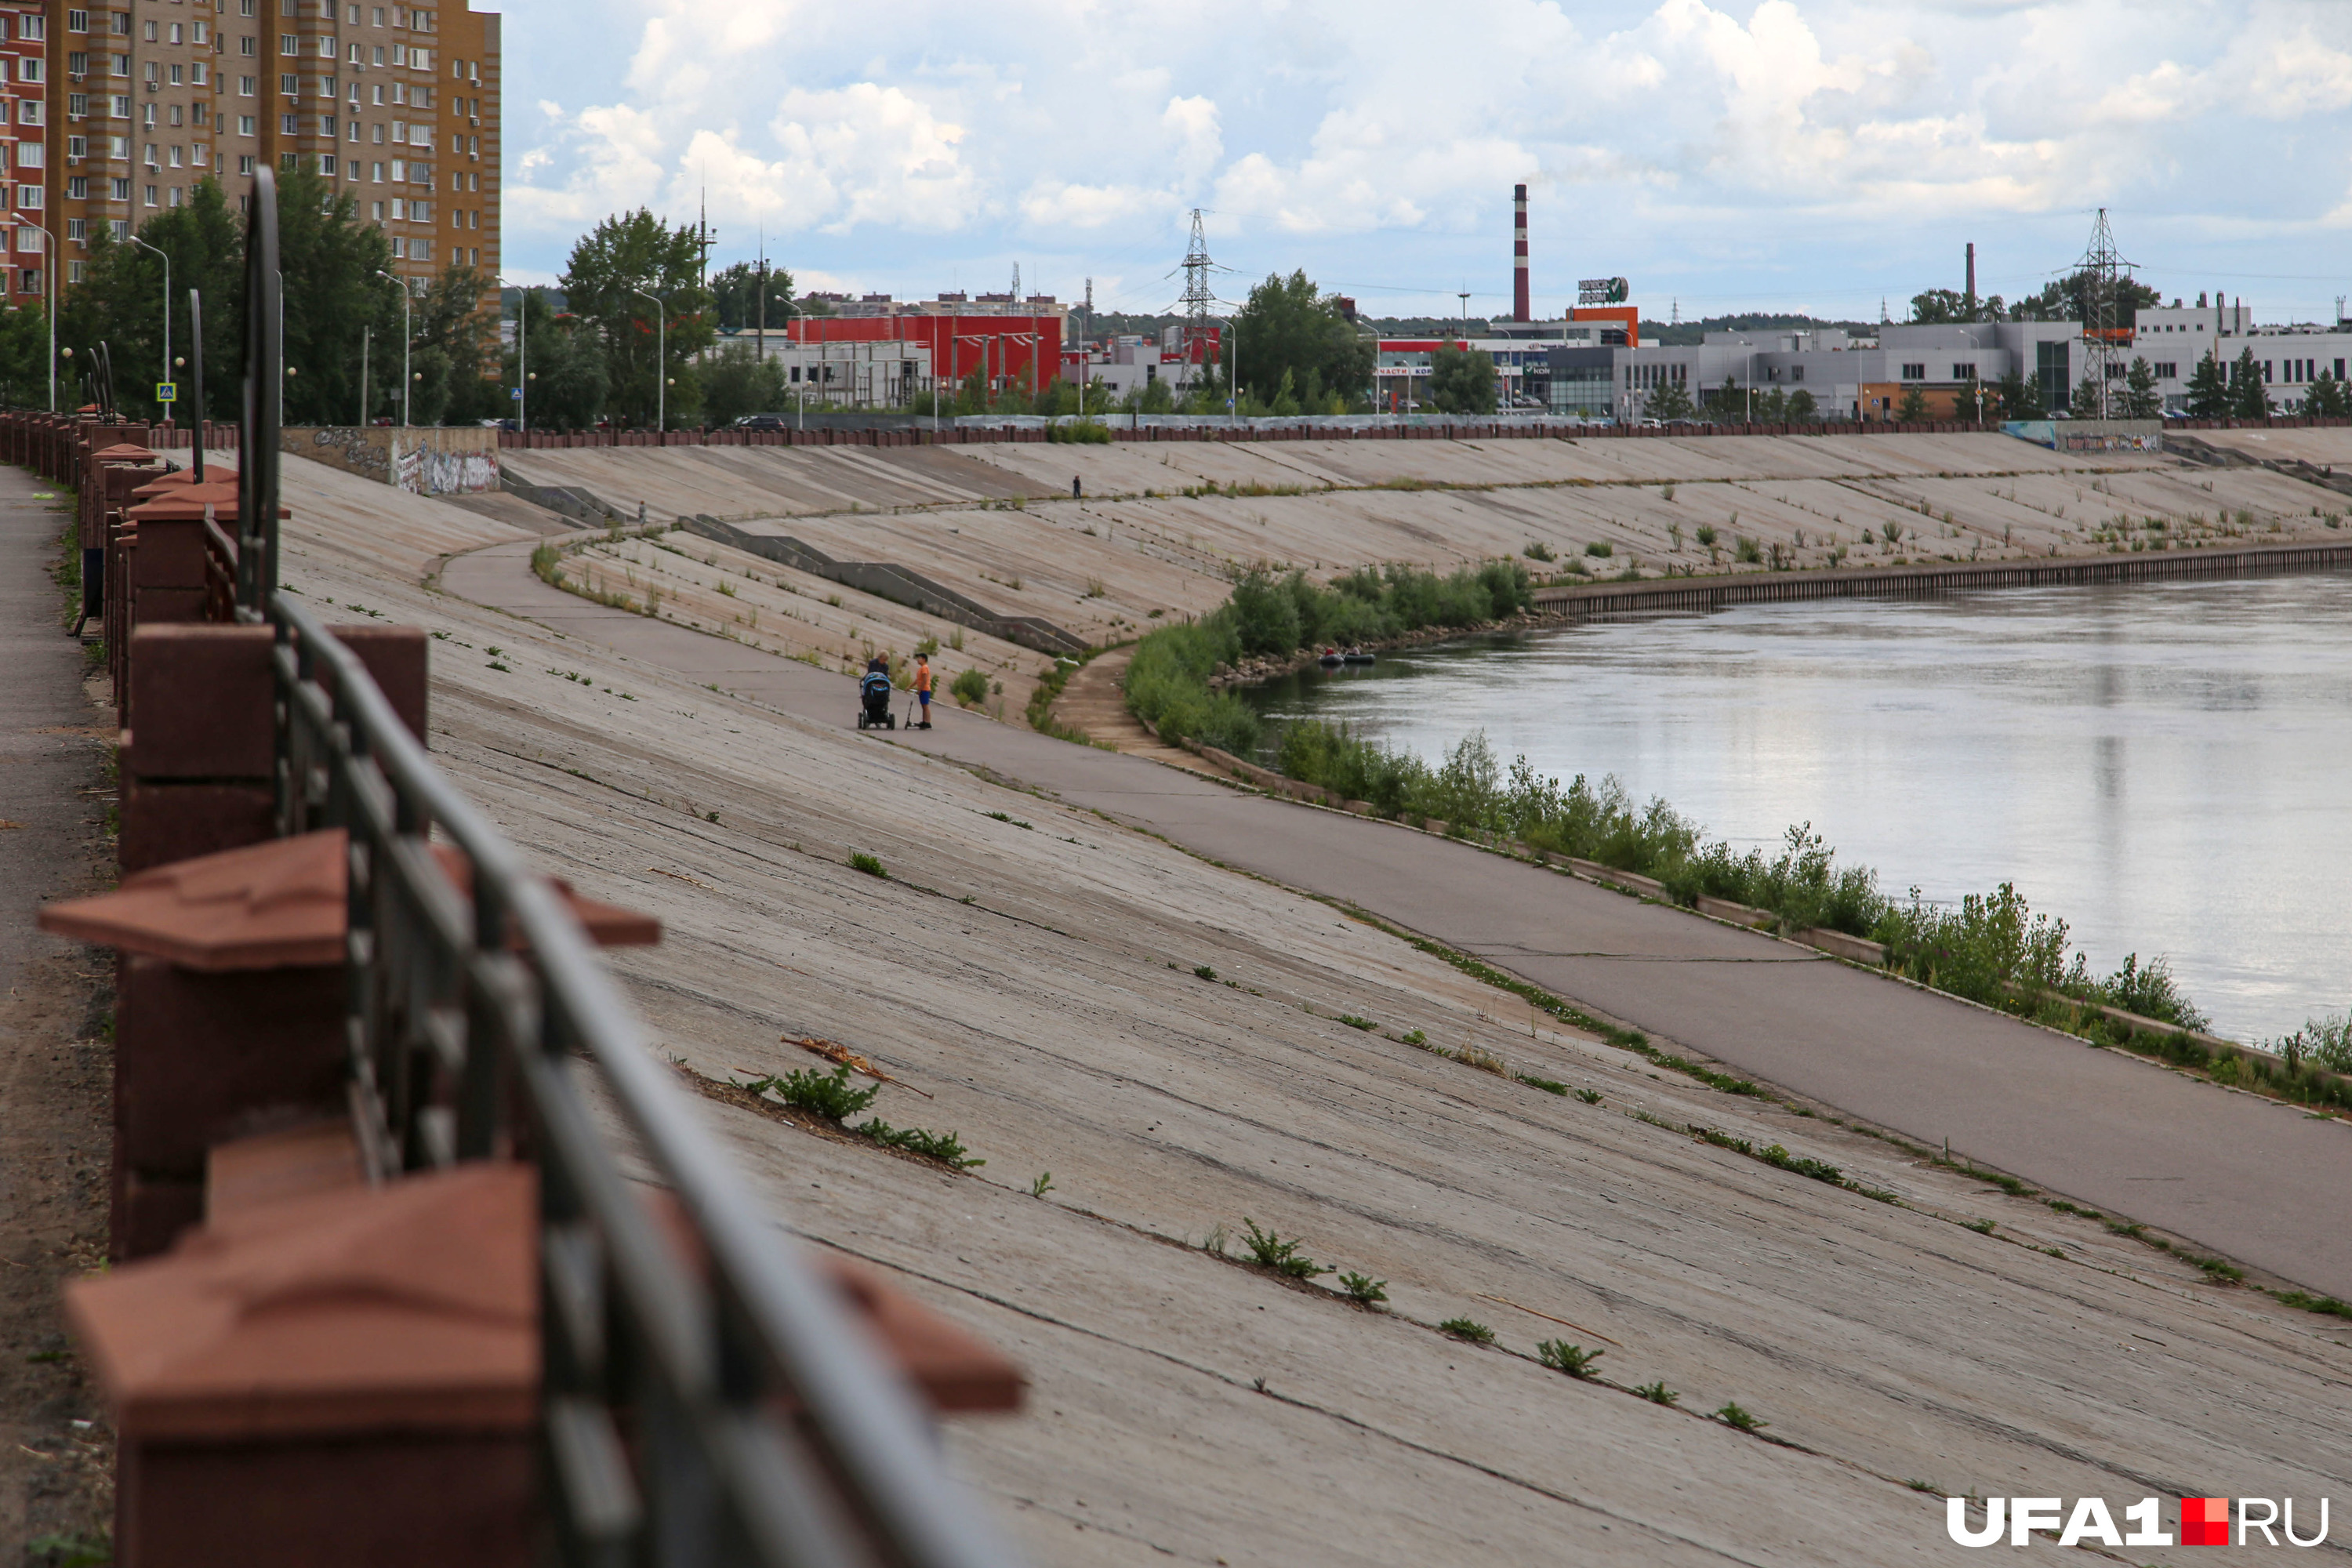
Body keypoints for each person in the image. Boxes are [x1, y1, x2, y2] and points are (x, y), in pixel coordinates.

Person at [912, 652, 934, 728]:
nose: (918, 660)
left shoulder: (924, 668)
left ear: (924, 659)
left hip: (925, 689)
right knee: (923, 706)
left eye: (919, 658)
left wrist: (920, 689)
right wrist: (910, 686)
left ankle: (927, 722)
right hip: (923, 689)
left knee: (925, 706)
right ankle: (924, 721)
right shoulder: (922, 668)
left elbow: (924, 680)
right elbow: (918, 680)